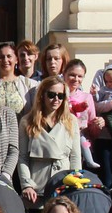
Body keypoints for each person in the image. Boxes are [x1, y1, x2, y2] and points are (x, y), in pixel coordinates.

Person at [17, 76, 81, 206]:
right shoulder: (27, 121)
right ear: (42, 95)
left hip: (62, 184)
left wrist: (75, 180)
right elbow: (22, 157)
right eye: (51, 95)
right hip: (36, 188)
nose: (56, 99)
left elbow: (75, 156)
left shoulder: (71, 121)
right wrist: (26, 185)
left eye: (60, 96)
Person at [0, 42, 28, 114]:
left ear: (16, 60)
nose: (5, 60)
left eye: (9, 56)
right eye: (1, 57)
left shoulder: (27, 84)